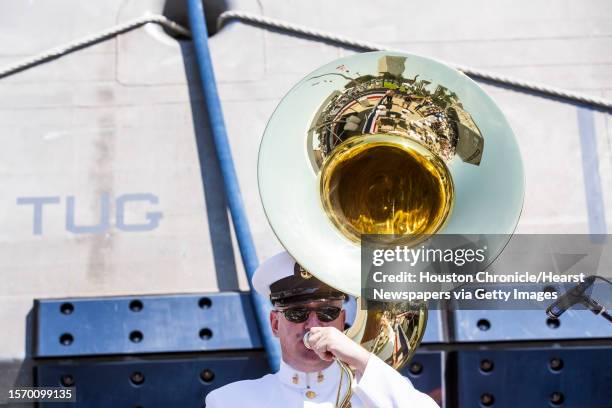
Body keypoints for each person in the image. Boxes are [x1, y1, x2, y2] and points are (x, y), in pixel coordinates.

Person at [205, 251, 439, 407]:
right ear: (276, 324)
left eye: (328, 313)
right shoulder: (230, 401)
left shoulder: (376, 395)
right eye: (297, 313)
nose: (313, 326)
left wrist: (359, 358)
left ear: (343, 320)